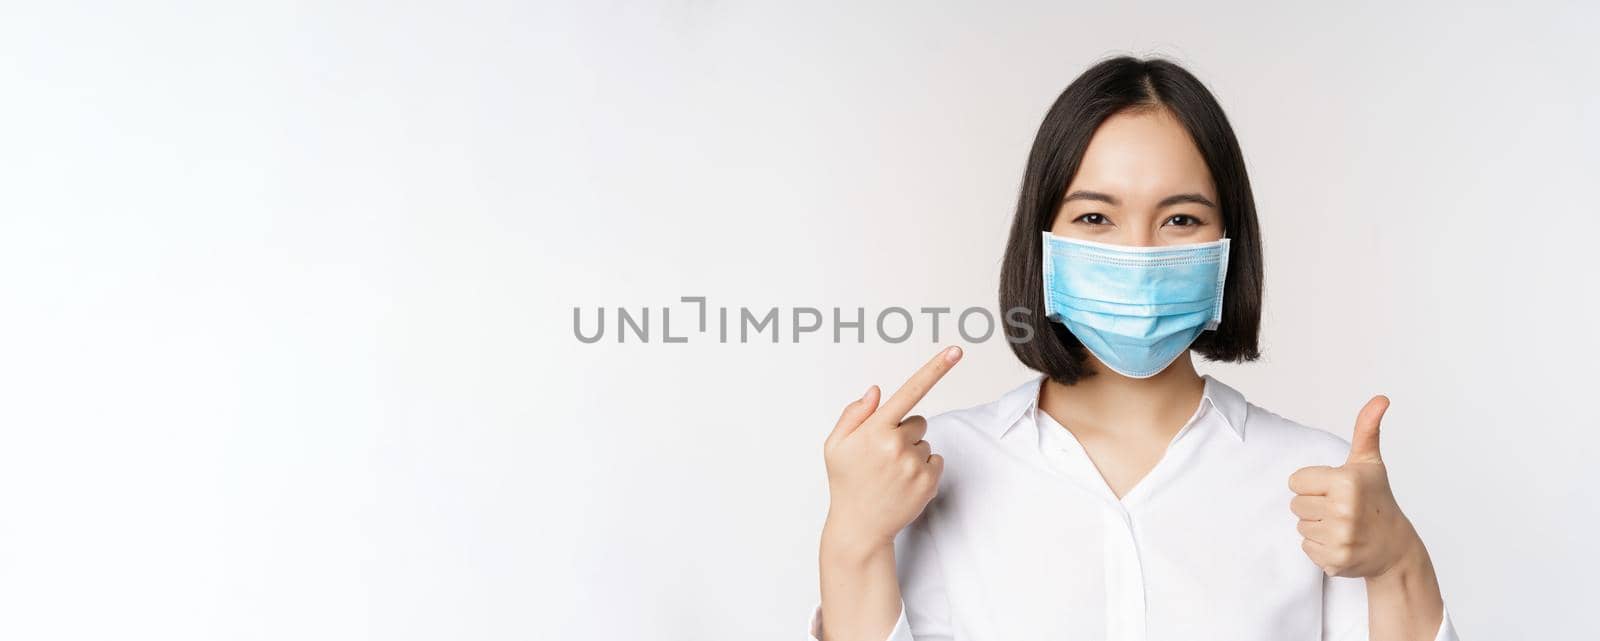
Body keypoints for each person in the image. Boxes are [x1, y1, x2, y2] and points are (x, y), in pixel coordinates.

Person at [812, 57, 1457, 641]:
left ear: (1229, 245)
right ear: (1043, 240)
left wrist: (1399, 560)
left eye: (1181, 219)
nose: (1141, 254)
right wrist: (851, 543)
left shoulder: (1317, 484)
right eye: (1096, 218)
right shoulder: (926, 473)